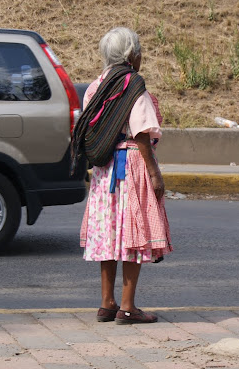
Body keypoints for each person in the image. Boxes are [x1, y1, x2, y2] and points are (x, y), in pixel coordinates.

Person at [73, 27, 172, 325]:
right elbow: (142, 133)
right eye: (139, 51)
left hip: (105, 170)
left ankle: (107, 303)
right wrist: (155, 174)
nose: (141, 56)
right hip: (132, 164)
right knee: (132, 235)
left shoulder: (96, 86)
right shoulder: (133, 84)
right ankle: (128, 307)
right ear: (131, 55)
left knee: (109, 232)